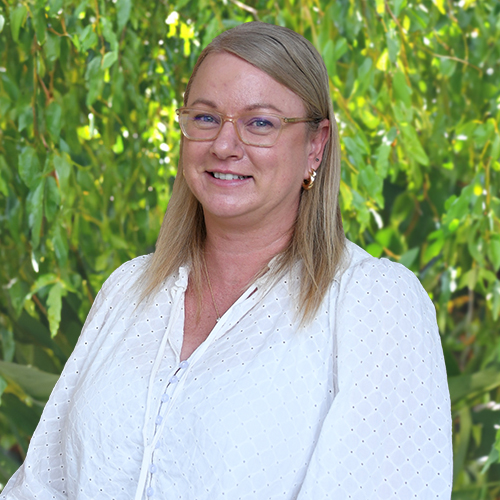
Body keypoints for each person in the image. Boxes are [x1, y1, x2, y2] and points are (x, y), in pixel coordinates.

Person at [1, 21, 452, 500]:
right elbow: (41, 485)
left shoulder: (372, 303)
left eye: (260, 122)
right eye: (205, 118)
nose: (223, 145)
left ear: (315, 145)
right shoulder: (129, 290)